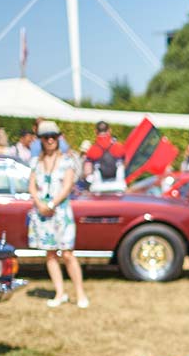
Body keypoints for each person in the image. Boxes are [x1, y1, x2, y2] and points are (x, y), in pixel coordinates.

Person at [28, 121, 88, 309]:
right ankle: (60, 292)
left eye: (54, 136)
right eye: (46, 137)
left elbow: (68, 185)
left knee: (68, 254)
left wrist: (52, 204)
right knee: (51, 254)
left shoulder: (67, 160)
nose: (50, 140)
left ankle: (80, 294)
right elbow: (32, 186)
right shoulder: (35, 162)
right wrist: (40, 204)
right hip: (43, 213)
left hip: (61, 212)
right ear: (41, 140)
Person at [84, 121, 127, 193]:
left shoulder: (92, 150)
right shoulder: (119, 147)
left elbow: (87, 172)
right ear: (109, 130)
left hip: (98, 188)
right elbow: (125, 163)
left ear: (96, 131)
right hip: (118, 186)